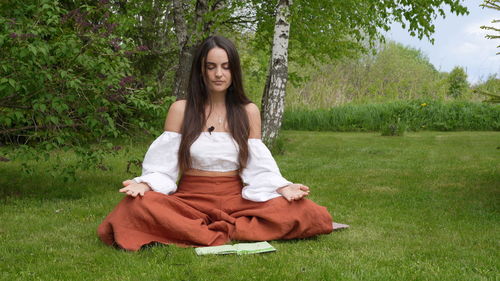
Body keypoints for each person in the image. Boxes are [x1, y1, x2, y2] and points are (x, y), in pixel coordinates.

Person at [97, 35, 342, 251]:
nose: (218, 74)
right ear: (201, 71)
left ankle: (201, 229)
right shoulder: (181, 110)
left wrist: (281, 187)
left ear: (234, 71)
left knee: (305, 210)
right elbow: (164, 165)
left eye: (225, 67)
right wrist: (146, 184)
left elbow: (258, 165)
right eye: (211, 66)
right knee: (134, 207)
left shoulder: (248, 111)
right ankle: (227, 229)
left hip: (236, 199)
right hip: (189, 200)